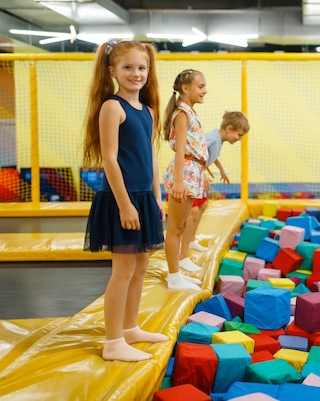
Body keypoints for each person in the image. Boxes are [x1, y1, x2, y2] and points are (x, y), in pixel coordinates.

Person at [82, 40, 168, 362]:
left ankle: (130, 327)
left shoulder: (148, 110)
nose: (136, 73)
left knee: (141, 265)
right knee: (123, 269)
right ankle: (113, 340)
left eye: (142, 67)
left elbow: (152, 158)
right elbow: (110, 159)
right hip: (122, 197)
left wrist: (157, 197)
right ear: (112, 71)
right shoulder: (112, 107)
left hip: (143, 197)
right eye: (128, 67)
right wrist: (125, 204)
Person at [178, 111, 250, 267]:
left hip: (198, 174)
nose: (239, 139)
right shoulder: (212, 137)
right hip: (190, 175)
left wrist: (221, 169)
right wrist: (202, 172)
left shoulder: (219, 139)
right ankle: (182, 252)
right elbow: (195, 152)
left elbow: (212, 155)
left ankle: (191, 240)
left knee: (203, 205)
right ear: (229, 128)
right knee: (193, 212)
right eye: (239, 135)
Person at [162, 69, 210, 291]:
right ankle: (173, 276)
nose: (204, 91)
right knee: (175, 227)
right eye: (200, 87)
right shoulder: (182, 114)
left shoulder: (190, 112)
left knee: (181, 226)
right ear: (185, 88)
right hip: (185, 172)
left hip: (194, 171)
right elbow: (180, 149)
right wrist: (179, 181)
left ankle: (179, 267)